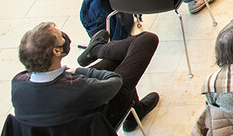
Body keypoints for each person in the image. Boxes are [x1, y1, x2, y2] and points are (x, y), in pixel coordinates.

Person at [10, 20, 160, 131]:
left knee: (115, 61)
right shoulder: (77, 86)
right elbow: (115, 82)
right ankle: (96, 50)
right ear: (56, 51)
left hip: (67, 124)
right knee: (146, 40)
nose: (64, 37)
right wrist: (79, 71)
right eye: (60, 36)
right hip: (99, 122)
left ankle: (96, 49)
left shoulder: (17, 83)